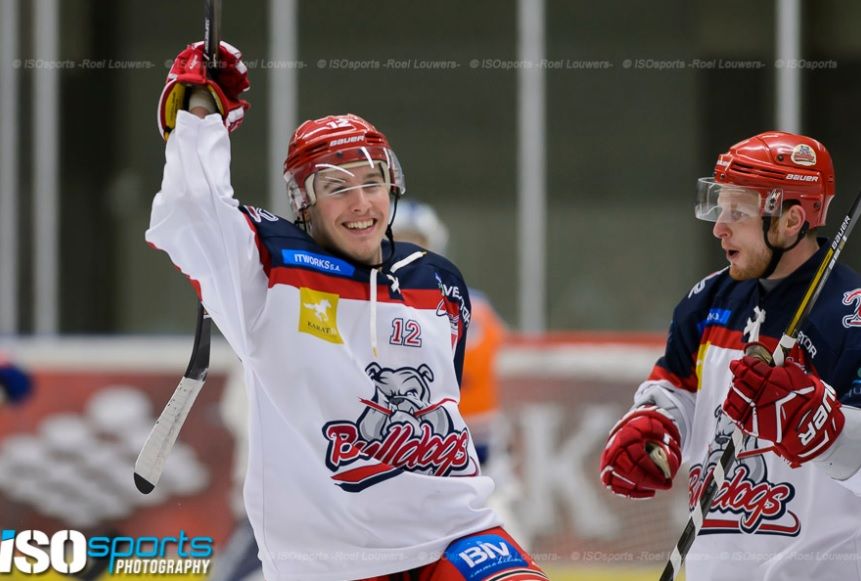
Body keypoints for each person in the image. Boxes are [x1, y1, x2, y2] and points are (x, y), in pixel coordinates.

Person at [149, 41, 546, 581]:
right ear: (303, 201)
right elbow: (192, 212)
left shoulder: (439, 282)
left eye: (372, 182)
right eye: (336, 187)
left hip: (455, 532)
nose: (361, 204)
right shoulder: (267, 267)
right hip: (331, 562)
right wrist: (200, 114)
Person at [599, 131, 861, 580]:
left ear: (791, 221)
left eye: (737, 212)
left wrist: (826, 429)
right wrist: (655, 423)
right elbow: (676, 386)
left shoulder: (848, 316)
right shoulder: (706, 301)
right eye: (719, 207)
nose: (719, 226)